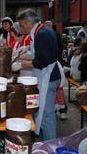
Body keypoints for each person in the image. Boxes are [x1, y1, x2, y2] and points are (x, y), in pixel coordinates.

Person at [17, 9, 65, 140]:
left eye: (21, 24)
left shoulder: (41, 34)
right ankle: (46, 141)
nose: (21, 28)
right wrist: (24, 56)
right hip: (50, 74)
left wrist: (20, 65)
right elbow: (41, 54)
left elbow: (40, 62)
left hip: (49, 77)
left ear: (28, 23)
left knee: (46, 115)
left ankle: (50, 146)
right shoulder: (43, 29)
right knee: (43, 112)